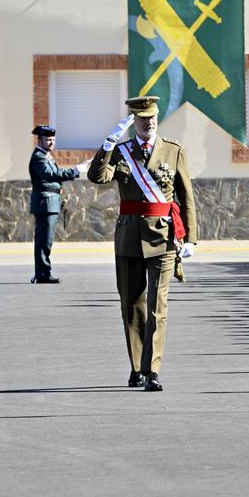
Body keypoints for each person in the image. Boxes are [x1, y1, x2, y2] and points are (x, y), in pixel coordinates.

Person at [87, 97, 197, 392]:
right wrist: (107, 145)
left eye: (152, 118)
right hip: (129, 237)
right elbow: (97, 177)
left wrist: (191, 238)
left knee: (156, 307)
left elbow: (186, 197)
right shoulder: (121, 152)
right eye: (142, 119)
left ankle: (152, 370)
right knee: (131, 305)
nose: (148, 123)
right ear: (133, 122)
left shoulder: (173, 151)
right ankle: (136, 367)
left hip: (162, 238)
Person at [29, 124, 89, 284]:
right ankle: (42, 274)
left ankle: (43, 272)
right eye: (48, 139)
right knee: (44, 241)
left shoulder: (46, 157)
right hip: (45, 203)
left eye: (53, 139)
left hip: (50, 202)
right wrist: (74, 170)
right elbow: (51, 175)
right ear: (40, 140)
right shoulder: (38, 158)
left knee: (46, 241)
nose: (51, 142)